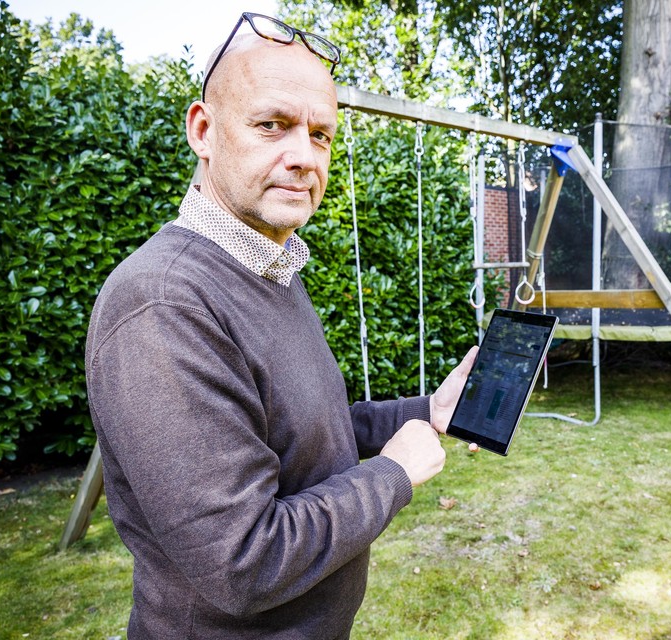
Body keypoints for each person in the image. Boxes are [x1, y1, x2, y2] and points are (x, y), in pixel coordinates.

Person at [85, 13, 476, 639]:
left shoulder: (269, 268)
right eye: (273, 125)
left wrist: (430, 411)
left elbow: (300, 440)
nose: (303, 157)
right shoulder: (165, 306)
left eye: (321, 136)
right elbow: (245, 562)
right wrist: (393, 473)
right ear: (204, 131)